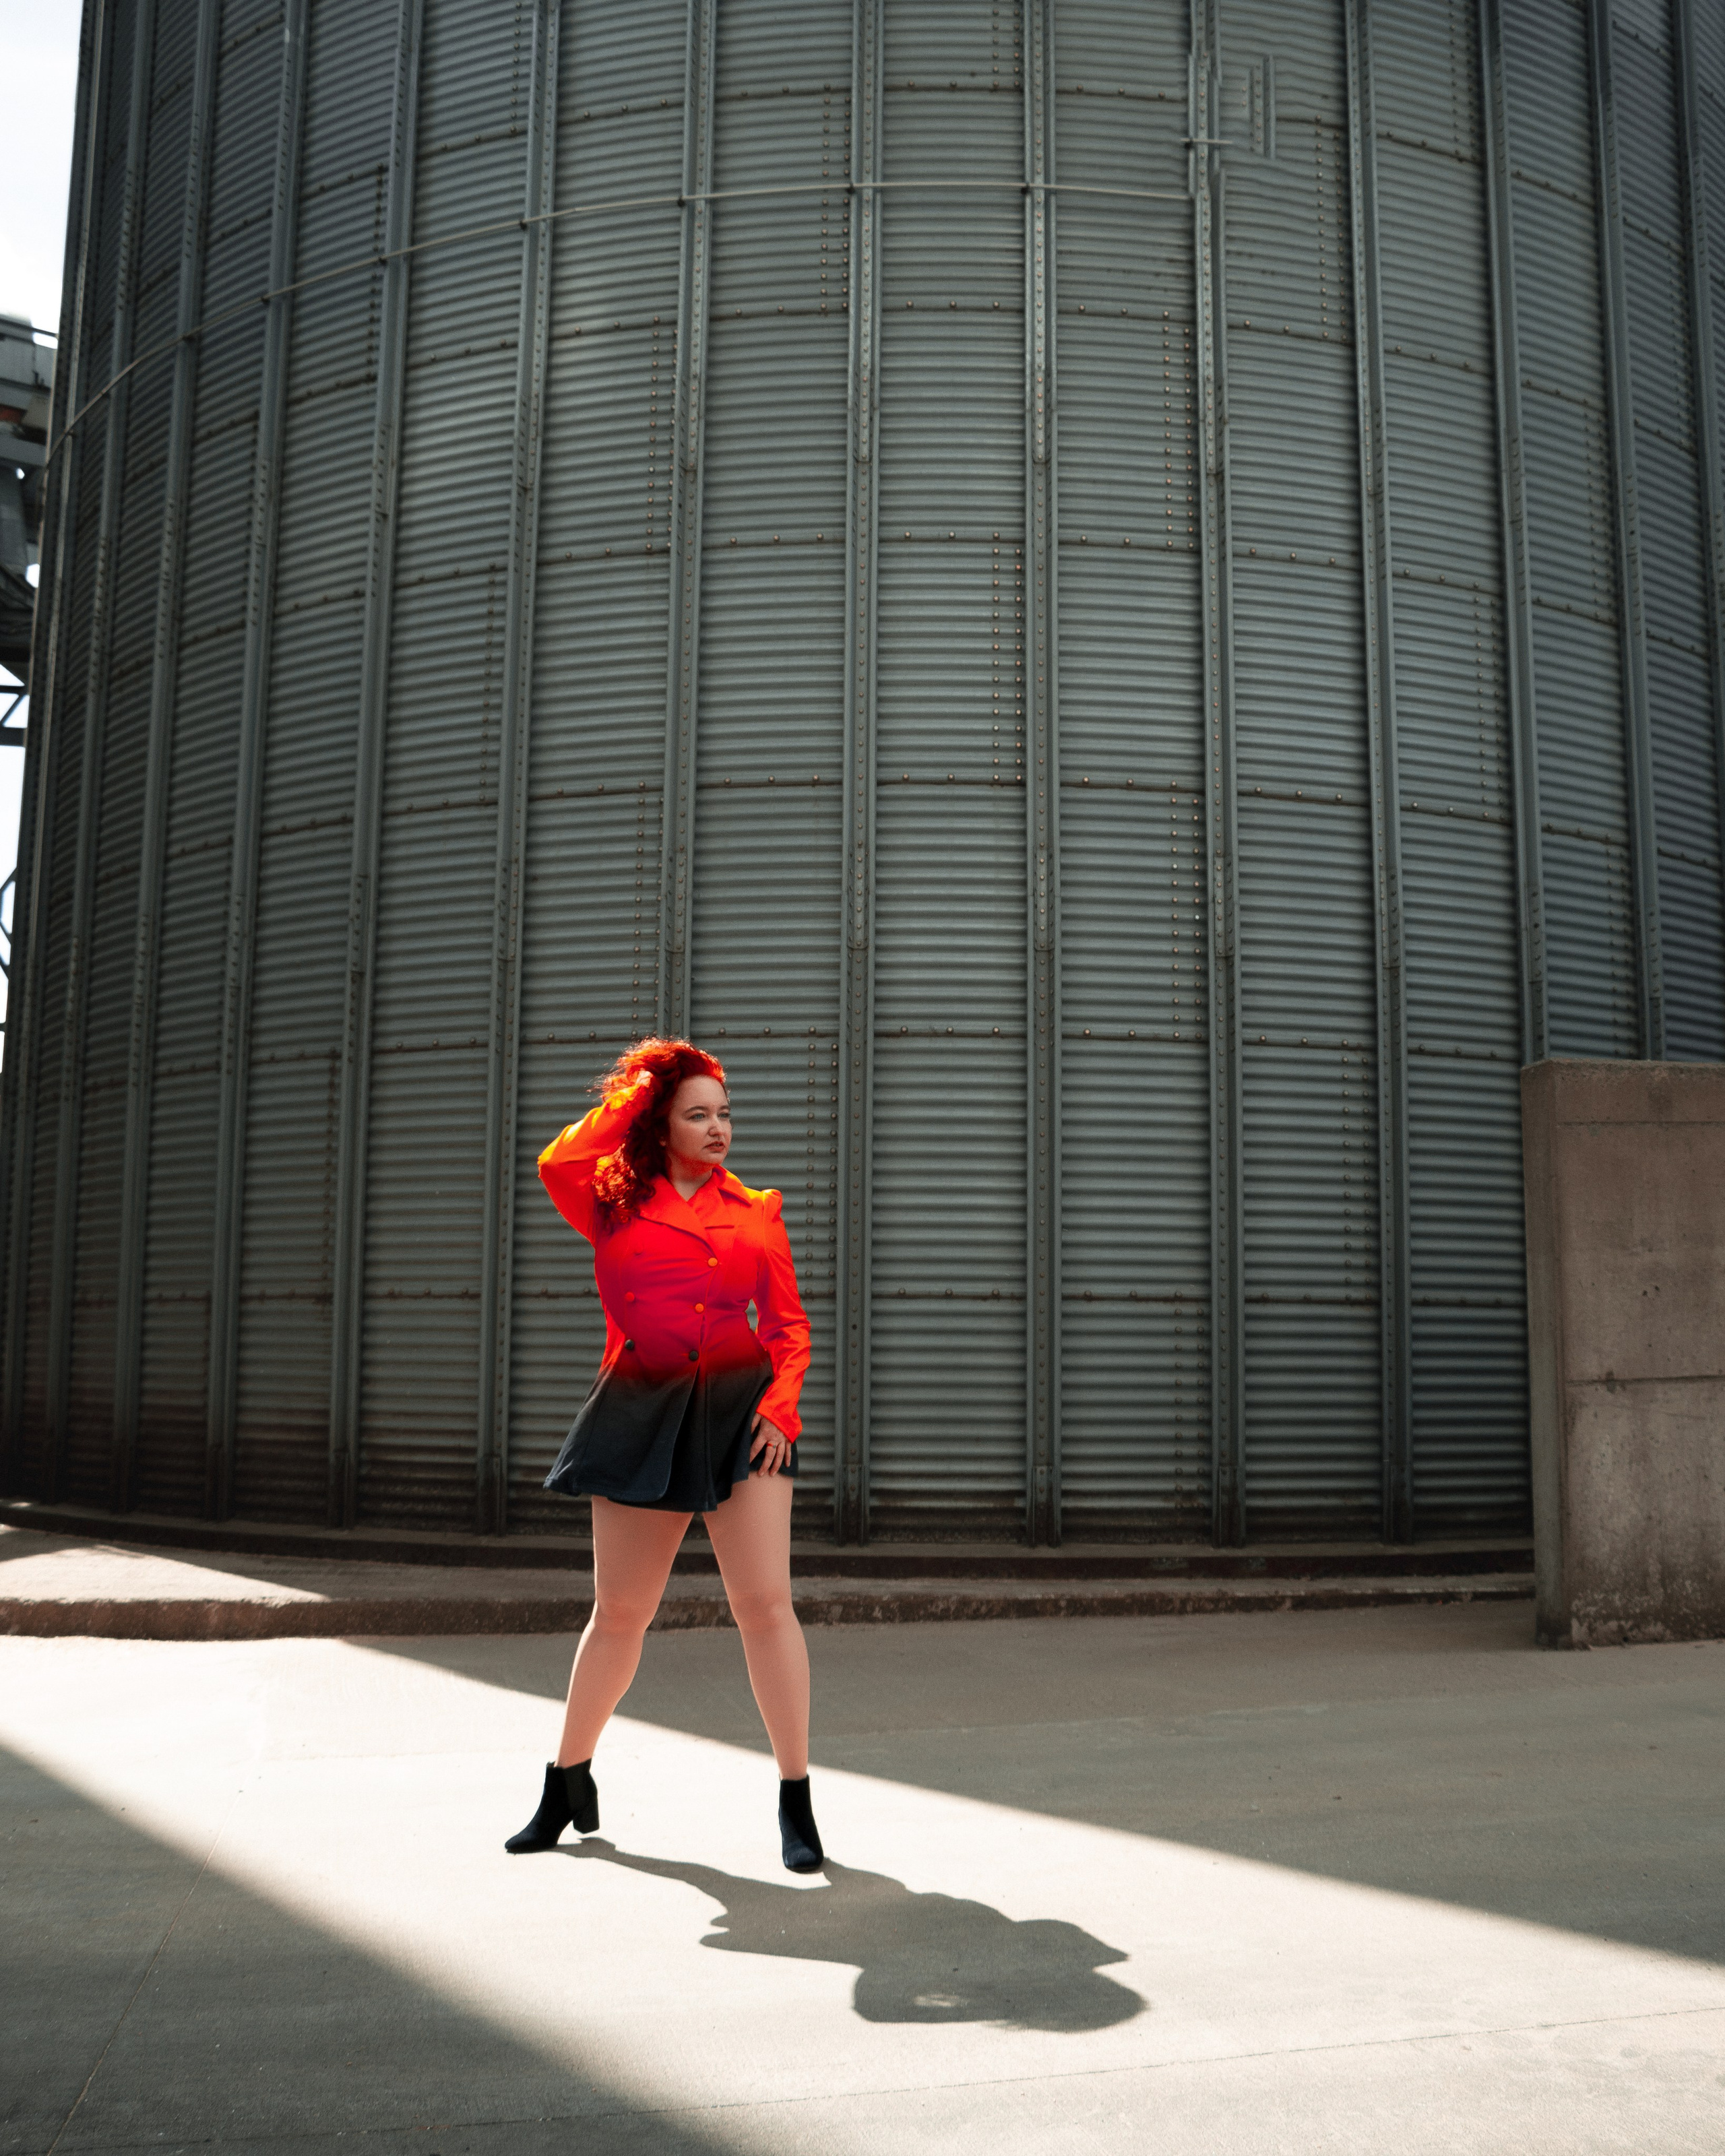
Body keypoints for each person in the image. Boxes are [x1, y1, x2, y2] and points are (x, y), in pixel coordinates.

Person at [504, 1036, 823, 1872]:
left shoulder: (756, 1210)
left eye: (725, 1113)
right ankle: (565, 1779)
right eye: (698, 1113)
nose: (719, 1128)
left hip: (741, 1413)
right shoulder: (609, 1199)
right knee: (619, 1613)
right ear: (661, 1122)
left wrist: (782, 1412)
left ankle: (796, 1797)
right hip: (642, 1407)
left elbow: (789, 1330)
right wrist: (639, 1087)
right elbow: (557, 1158)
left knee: (765, 1605)